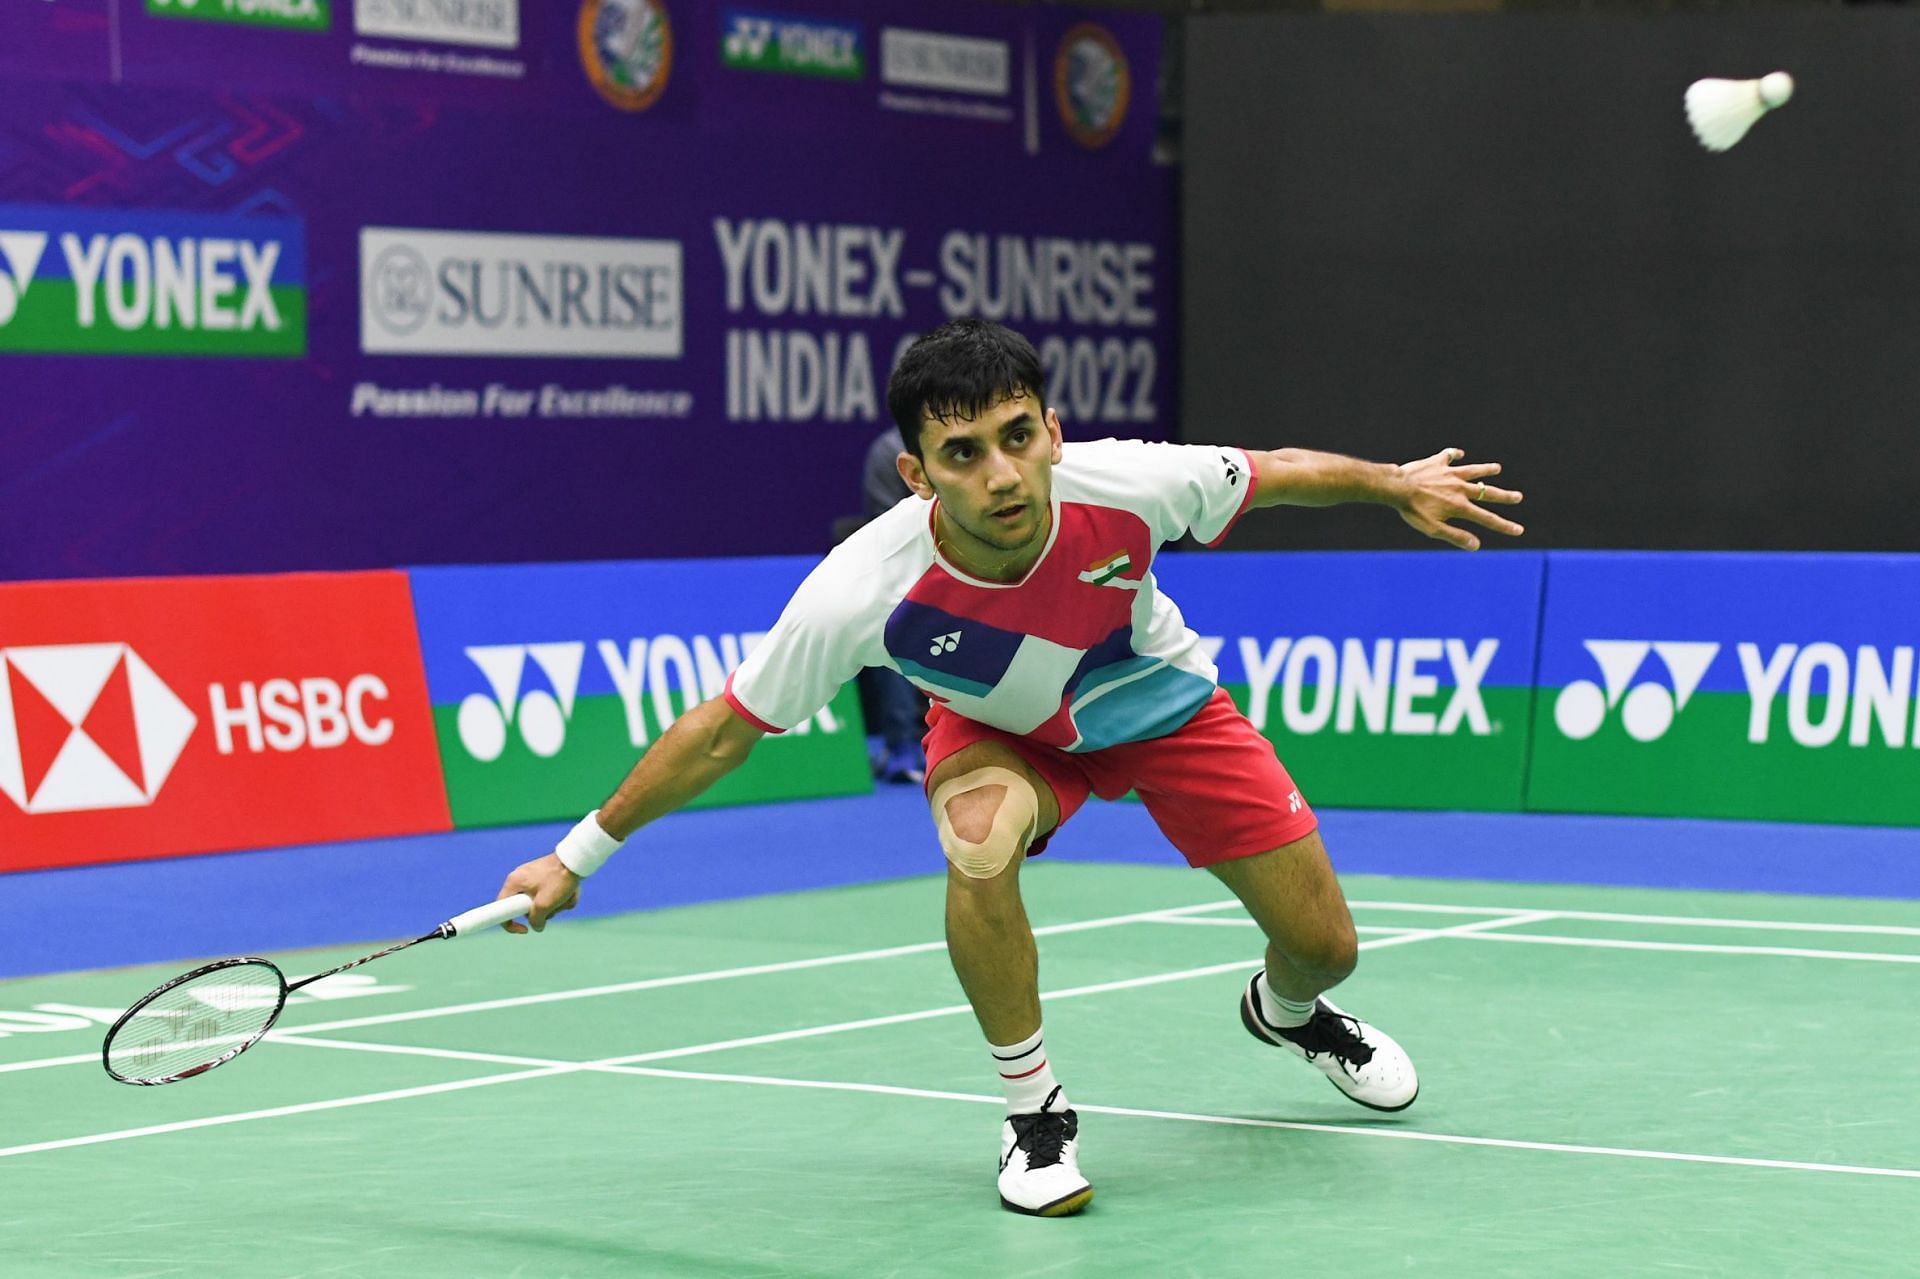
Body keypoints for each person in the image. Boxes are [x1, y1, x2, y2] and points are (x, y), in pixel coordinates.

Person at [495, 318, 1525, 1218]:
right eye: (962, 451)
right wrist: (573, 855)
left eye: (1017, 436)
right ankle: (1034, 1112)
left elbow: (1277, 469)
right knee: (978, 838)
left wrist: (1395, 483)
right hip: (1002, 734)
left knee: (1325, 944)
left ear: (1051, 431)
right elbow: (724, 727)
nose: (999, 474)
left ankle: (1289, 1012)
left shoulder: (1125, 485)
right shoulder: (865, 588)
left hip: (1157, 703)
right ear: (918, 474)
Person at [857, 424, 929, 783]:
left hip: (973, 563)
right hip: (910, 568)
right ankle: (903, 746)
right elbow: (887, 532)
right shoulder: (888, 451)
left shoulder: (972, 439)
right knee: (890, 621)